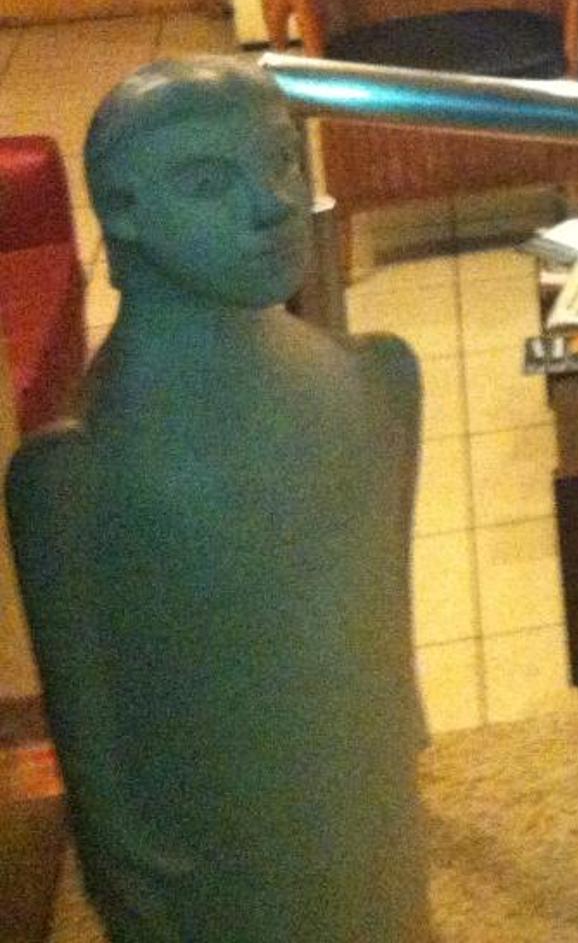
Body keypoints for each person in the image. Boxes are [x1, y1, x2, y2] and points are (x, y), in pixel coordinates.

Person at [8, 58, 430, 942]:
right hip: (214, 854)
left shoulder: (376, 378)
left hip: (366, 818)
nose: (274, 203)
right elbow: (89, 724)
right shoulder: (77, 475)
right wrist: (119, 850)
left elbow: (385, 609)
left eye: (281, 159)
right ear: (124, 211)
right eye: (208, 182)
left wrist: (399, 732)